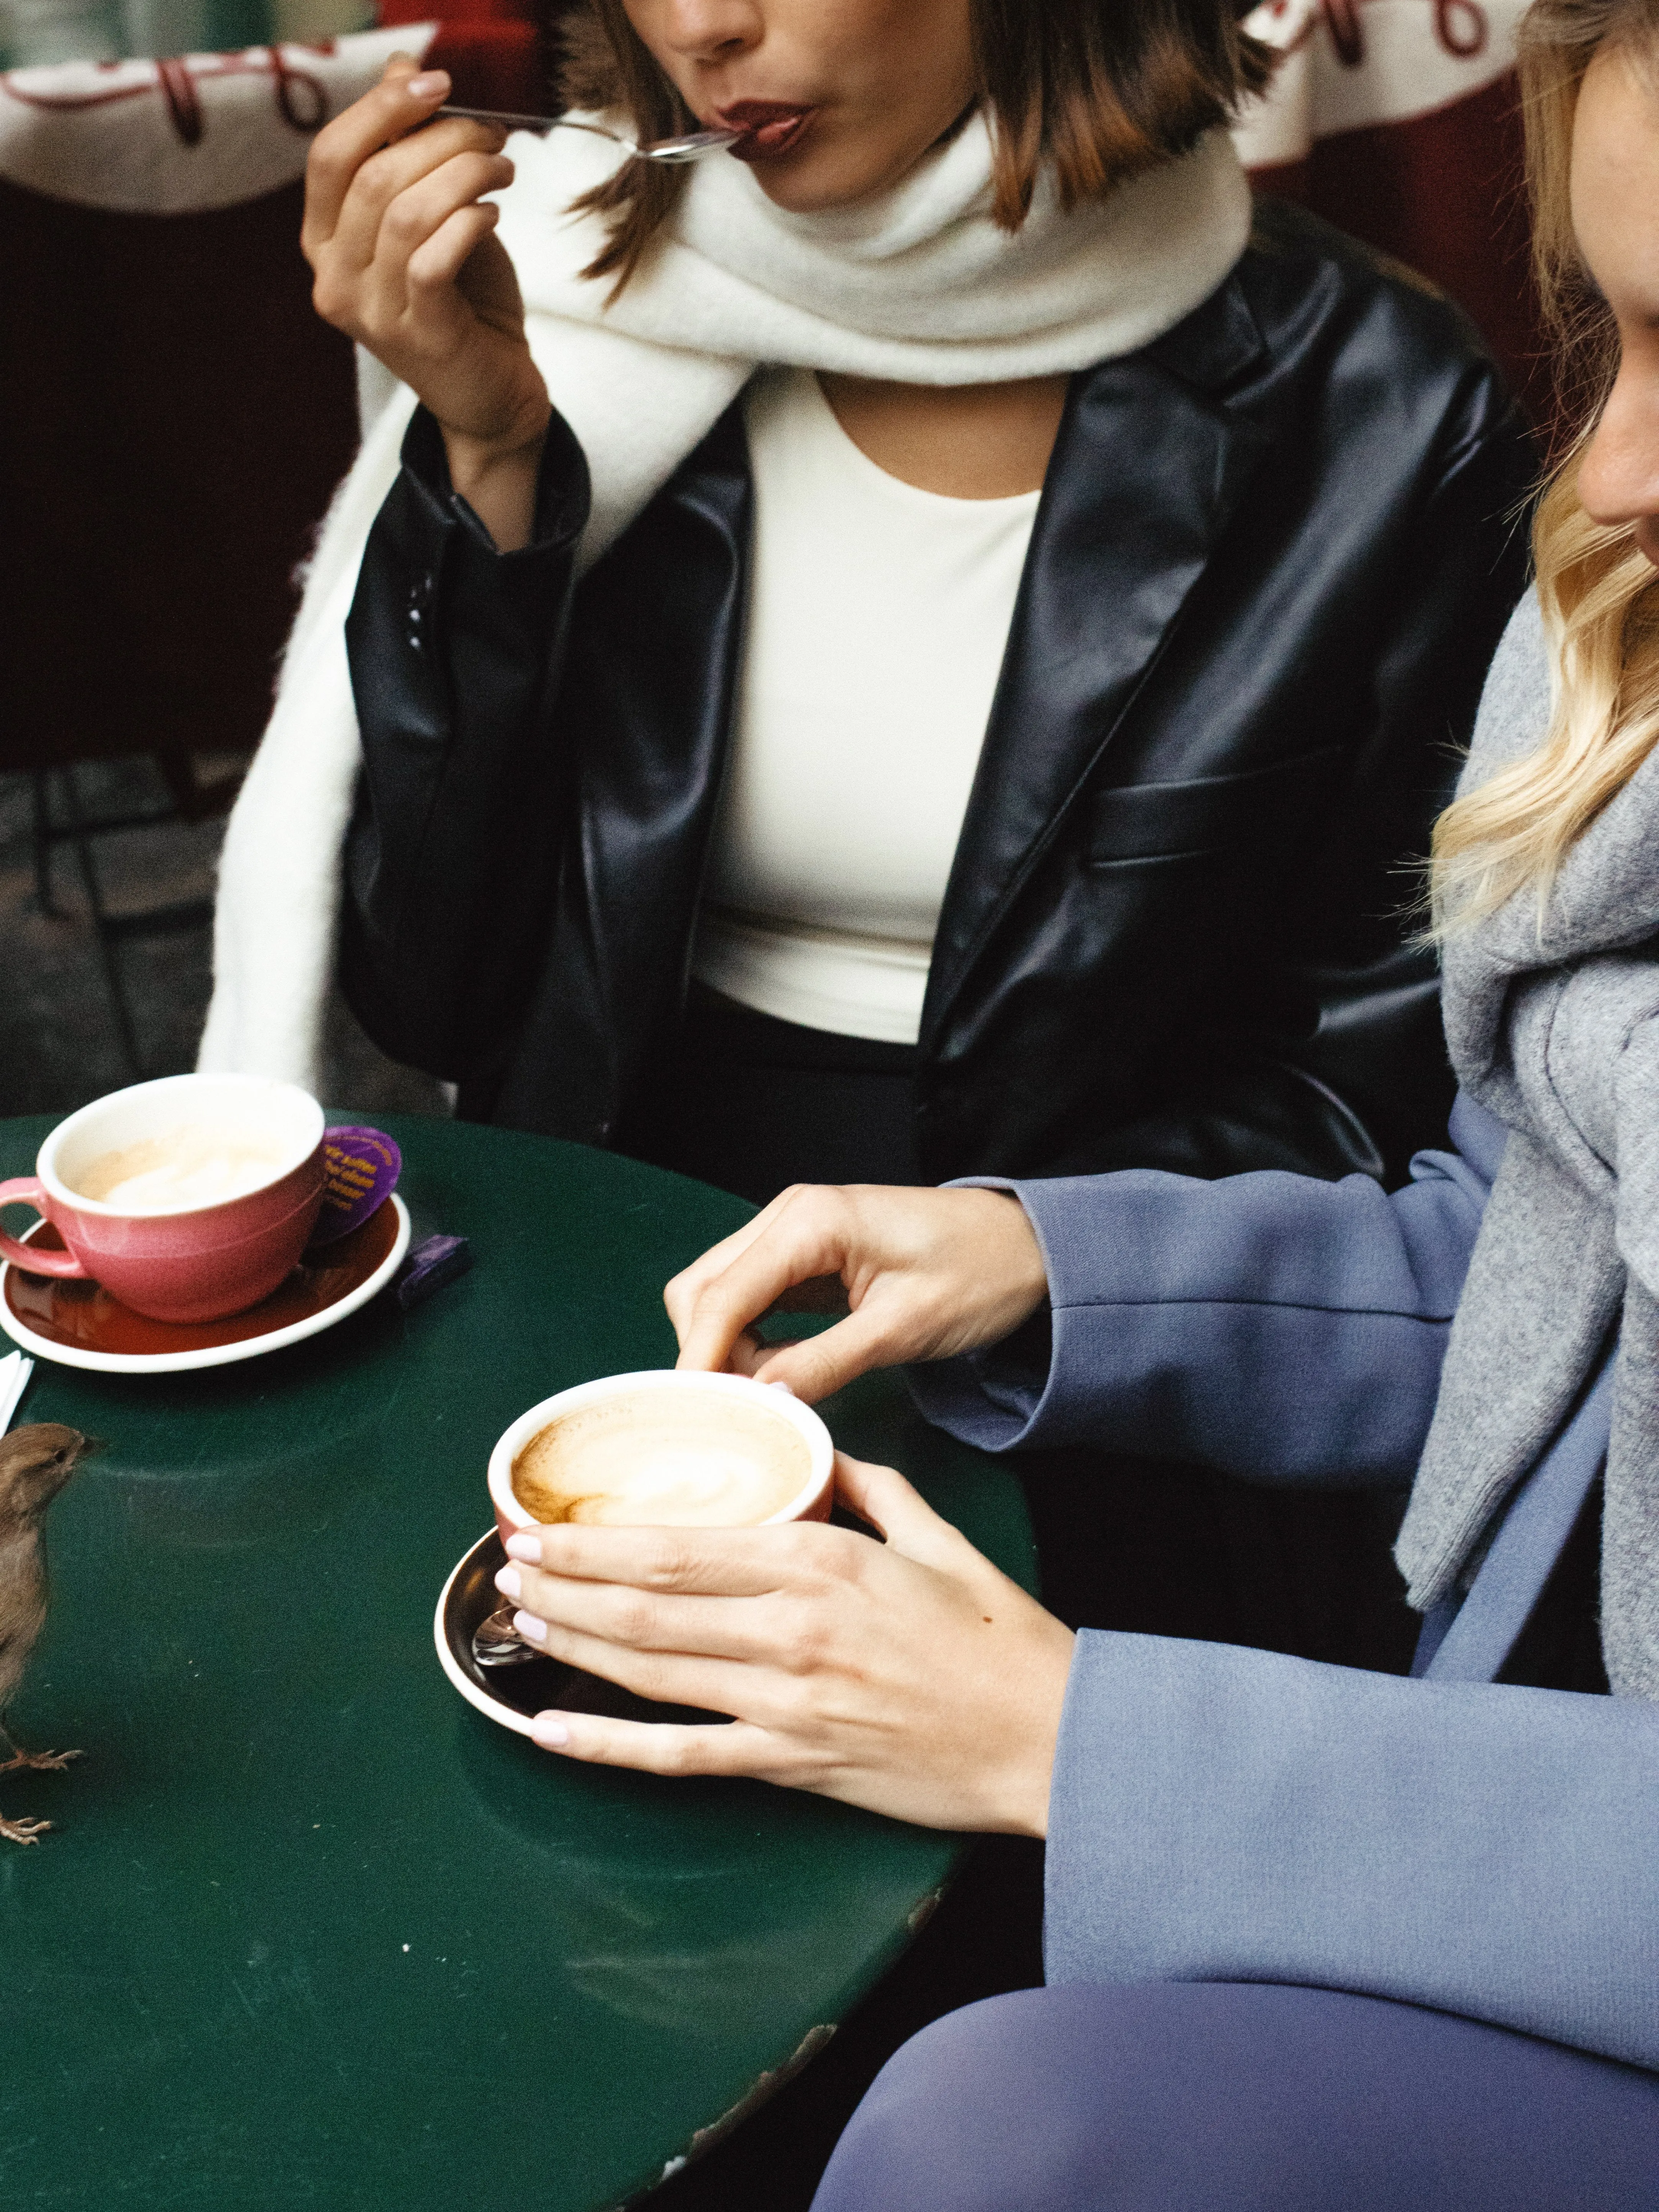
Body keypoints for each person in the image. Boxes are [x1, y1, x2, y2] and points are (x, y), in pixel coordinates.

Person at [477, 1, 1659, 2195]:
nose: (1591, 476)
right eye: (1607, 334)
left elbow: (1350, 1070)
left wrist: (1078, 1731)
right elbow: (1524, 1264)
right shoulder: (1615, 631)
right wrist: (1047, 1253)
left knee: (977, 2115)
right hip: (1474, 1692)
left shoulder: (1380, 407)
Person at [204, 0, 1529, 1208]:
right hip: (622, 1242)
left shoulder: (1383, 414)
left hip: (1094, 1314)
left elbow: (1389, 1091)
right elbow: (436, 997)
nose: (704, 31)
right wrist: (488, 465)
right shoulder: (574, 319)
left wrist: (1037, 1267)